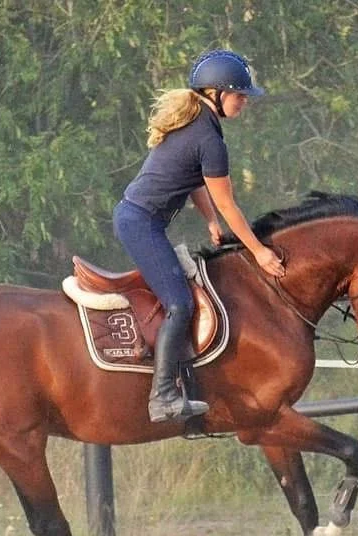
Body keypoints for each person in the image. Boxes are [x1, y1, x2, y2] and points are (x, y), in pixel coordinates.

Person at [113, 49, 286, 423]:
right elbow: (230, 205)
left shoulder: (199, 128)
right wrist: (259, 252)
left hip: (139, 219)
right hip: (140, 223)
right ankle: (162, 398)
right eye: (239, 95)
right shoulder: (208, 138)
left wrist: (209, 221)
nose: (244, 102)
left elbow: (195, 183)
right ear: (216, 94)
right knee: (180, 304)